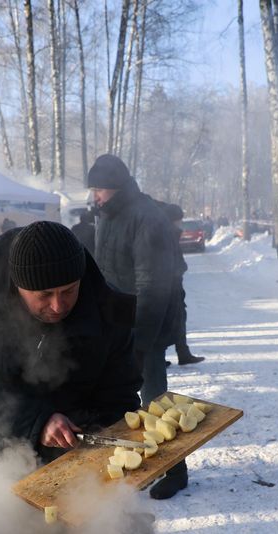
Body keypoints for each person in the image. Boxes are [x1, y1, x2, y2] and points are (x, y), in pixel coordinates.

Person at [0, 220, 142, 464]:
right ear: (19, 287)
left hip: (80, 457)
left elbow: (120, 392)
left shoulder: (109, 311)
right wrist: (36, 421)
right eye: (45, 295)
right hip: (0, 458)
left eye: (69, 290)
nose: (58, 305)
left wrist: (107, 439)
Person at [87, 153, 186, 500]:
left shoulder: (146, 218)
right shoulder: (109, 215)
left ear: (116, 187)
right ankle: (142, 462)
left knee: (156, 400)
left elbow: (153, 285)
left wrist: (142, 342)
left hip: (146, 328)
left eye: (99, 189)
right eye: (94, 189)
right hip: (117, 325)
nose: (95, 196)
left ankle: (176, 470)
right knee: (123, 402)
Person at [161, 203, 204, 365]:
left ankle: (182, 353)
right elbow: (173, 261)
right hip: (168, 287)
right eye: (179, 220)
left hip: (172, 286)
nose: (181, 223)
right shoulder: (168, 234)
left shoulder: (170, 233)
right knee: (171, 320)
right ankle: (163, 356)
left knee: (178, 319)